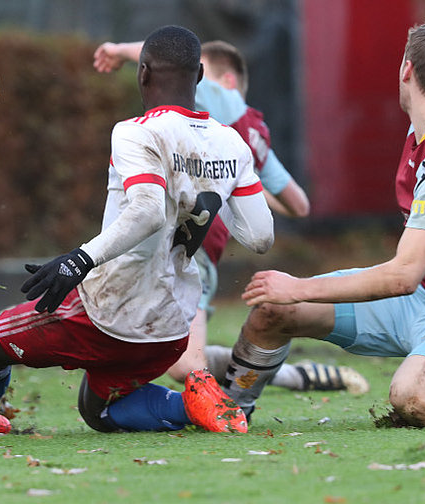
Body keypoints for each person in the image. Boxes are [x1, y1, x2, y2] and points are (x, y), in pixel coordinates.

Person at [0, 25, 275, 436]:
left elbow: (147, 211)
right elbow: (261, 237)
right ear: (198, 76)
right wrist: (202, 194)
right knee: (98, 411)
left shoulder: (136, 131)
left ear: (142, 73)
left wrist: (79, 261)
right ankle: (192, 404)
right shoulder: (231, 143)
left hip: (108, 314)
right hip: (174, 326)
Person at [223, 21, 425, 426]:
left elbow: (402, 276)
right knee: (274, 310)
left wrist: (300, 287)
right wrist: (291, 295)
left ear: (407, 70)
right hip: (415, 301)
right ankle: (228, 412)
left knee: (414, 398)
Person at [92, 38, 369, 395]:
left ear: (224, 80)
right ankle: (290, 375)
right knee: (159, 351)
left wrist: (116, 50)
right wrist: (238, 186)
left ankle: (281, 378)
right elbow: (298, 205)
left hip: (188, 247)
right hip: (189, 244)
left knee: (184, 366)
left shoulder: (224, 97)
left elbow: (167, 54)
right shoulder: (254, 134)